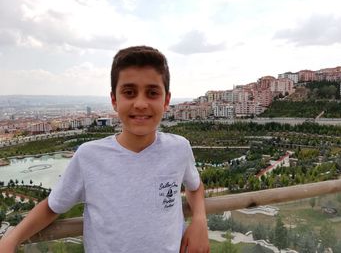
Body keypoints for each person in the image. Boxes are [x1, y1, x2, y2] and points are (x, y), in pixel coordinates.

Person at [0, 46, 209, 253]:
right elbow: (52, 207)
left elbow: (195, 187)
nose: (141, 103)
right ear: (114, 100)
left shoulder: (179, 148)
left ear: (166, 101)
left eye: (152, 93)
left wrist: (199, 221)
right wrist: (12, 239)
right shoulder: (89, 156)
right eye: (129, 92)